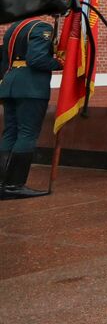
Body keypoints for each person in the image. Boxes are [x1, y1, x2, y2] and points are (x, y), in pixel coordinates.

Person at [0, 12, 62, 199]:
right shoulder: (41, 28)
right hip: (30, 86)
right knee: (27, 133)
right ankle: (15, 184)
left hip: (10, 83)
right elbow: (36, 59)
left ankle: (3, 182)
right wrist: (60, 62)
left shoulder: (13, 28)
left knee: (10, 132)